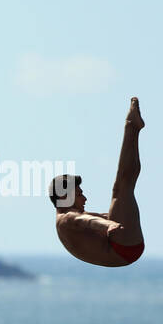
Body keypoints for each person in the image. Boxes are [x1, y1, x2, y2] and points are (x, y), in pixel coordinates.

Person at [52, 97, 145, 267]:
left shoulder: (64, 220)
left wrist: (110, 217)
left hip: (123, 249)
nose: (84, 198)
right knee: (121, 188)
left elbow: (91, 218)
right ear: (65, 196)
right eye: (79, 194)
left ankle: (133, 127)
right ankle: (131, 126)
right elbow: (87, 222)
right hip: (122, 247)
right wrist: (108, 225)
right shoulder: (67, 219)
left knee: (124, 187)